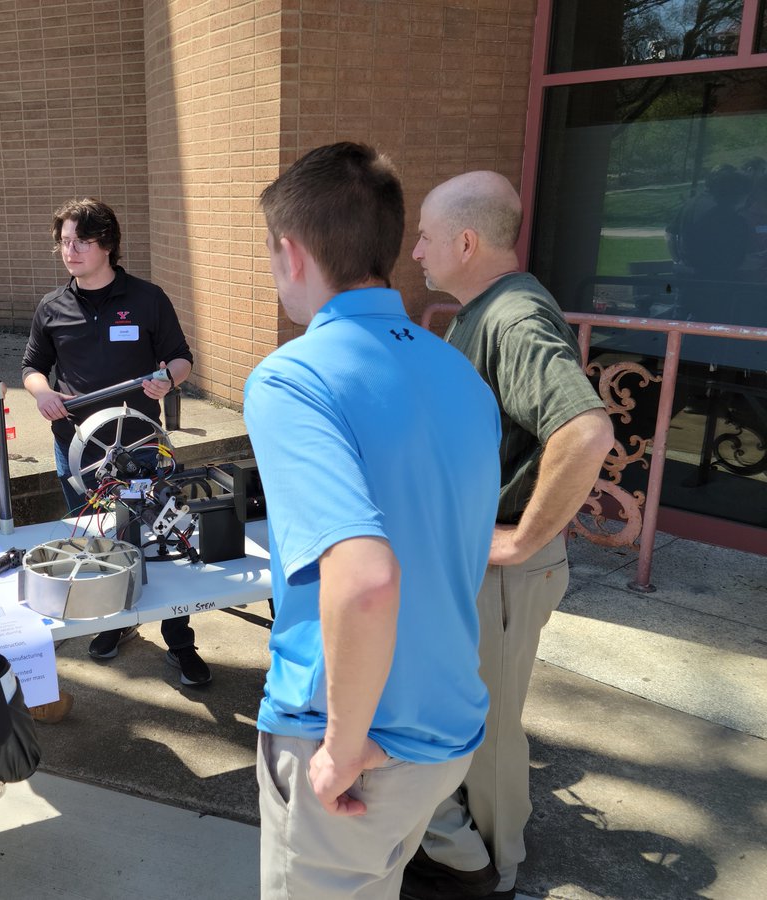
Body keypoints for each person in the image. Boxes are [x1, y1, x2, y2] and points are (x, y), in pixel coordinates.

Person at [245, 142, 502, 898]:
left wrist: (342, 746)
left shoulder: (292, 378)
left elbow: (363, 579)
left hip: (353, 733)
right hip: (449, 722)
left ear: (291, 253)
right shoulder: (458, 371)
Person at [405, 171, 615, 900]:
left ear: (466, 240)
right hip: (477, 561)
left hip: (499, 566)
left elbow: (586, 430)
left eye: (426, 236)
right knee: (469, 713)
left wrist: (521, 540)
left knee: (487, 730)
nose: (416, 252)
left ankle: (493, 873)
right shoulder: (485, 310)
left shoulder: (513, 317)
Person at [22, 198, 211, 687]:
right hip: (79, 451)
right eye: (63, 241)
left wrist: (168, 379)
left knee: (162, 538)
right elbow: (32, 367)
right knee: (98, 543)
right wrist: (42, 393)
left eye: (80, 241)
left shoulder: (147, 298)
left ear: (107, 243)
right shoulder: (51, 306)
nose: (69, 251)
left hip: (139, 448)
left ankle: (180, 640)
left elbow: (180, 357)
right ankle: (116, 625)